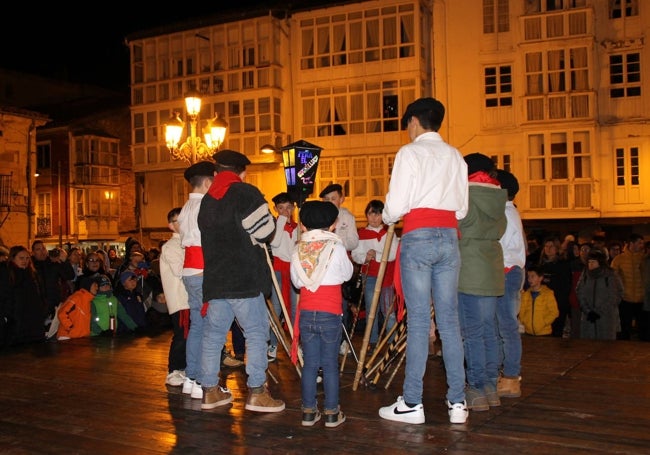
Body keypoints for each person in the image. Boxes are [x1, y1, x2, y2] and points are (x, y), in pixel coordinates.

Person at [379, 97, 469, 425]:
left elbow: (396, 205)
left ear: (415, 121)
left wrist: (389, 215)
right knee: (449, 321)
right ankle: (458, 401)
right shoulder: (456, 156)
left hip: (419, 236)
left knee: (418, 322)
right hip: (449, 237)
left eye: (407, 123)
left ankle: (412, 403)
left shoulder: (410, 153)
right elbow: (462, 210)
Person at [197, 149, 284, 412]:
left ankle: (210, 391)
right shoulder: (246, 193)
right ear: (242, 172)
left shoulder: (207, 201)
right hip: (244, 278)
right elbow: (267, 231)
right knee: (256, 334)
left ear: (216, 173)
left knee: (213, 336)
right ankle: (257, 392)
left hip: (216, 280)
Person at [290, 200, 353, 428]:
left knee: (309, 365)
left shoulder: (298, 248)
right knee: (329, 365)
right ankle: (332, 413)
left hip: (306, 312)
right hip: (330, 313)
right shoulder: (336, 247)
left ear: (303, 226)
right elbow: (347, 274)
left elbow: (297, 282)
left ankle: (308, 412)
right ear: (334, 224)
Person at [457, 153, 507, 412]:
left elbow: (456, 226)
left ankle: (475, 387)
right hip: (492, 269)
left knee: (471, 333)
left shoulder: (464, 195)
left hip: (469, 270)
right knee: (488, 329)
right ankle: (490, 386)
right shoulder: (499, 197)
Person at [350, 199, 399, 348]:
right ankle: (372, 342)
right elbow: (355, 255)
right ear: (367, 215)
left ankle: (392, 342)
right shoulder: (361, 234)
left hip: (386, 277)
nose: (374, 218)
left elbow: (393, 254)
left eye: (378, 214)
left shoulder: (388, 233)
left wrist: (376, 254)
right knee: (372, 310)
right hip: (369, 276)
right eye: (371, 214)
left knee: (388, 312)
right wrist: (365, 257)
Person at [495, 169, 526, 399]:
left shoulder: (505, 214)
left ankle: (511, 377)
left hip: (506, 272)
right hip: (509, 271)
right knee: (504, 326)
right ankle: (506, 375)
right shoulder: (510, 212)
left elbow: (497, 245)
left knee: (506, 326)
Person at [319, 183, 359, 342]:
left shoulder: (347, 217)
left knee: (342, 306)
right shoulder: (319, 216)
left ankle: (343, 340)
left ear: (341, 199)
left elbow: (354, 242)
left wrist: (335, 241)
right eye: (326, 199)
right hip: (322, 267)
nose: (329, 202)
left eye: (333, 198)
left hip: (340, 267)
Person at [159, 207, 190, 387]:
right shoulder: (171, 246)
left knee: (189, 334)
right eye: (179, 221)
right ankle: (173, 369)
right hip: (181, 299)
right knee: (182, 334)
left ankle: (184, 366)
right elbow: (180, 271)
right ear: (171, 226)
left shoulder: (188, 243)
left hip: (189, 298)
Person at [268, 192, 299, 362]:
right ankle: (272, 343)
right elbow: (275, 243)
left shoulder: (299, 228)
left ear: (293, 208)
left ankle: (295, 343)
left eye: (288, 207)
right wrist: (280, 221)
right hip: (279, 270)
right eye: (281, 208)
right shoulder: (274, 227)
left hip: (294, 270)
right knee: (276, 309)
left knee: (295, 308)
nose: (285, 211)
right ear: (275, 209)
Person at [0, 245, 47, 348]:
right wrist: (7, 315)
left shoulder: (32, 274)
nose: (24, 261)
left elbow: (39, 294)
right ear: (13, 258)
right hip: (15, 321)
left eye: (27, 258)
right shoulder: (6, 273)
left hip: (33, 321)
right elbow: (5, 296)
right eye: (21, 258)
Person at [576, 249, 623, 340]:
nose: (591, 264)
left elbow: (615, 296)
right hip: (588, 316)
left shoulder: (610, 275)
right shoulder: (585, 274)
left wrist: (599, 312)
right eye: (589, 262)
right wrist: (588, 310)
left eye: (593, 262)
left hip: (606, 317)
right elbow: (579, 291)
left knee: (605, 346)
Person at [610, 233, 646, 340]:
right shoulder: (619, 259)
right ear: (631, 243)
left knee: (643, 329)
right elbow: (613, 279)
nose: (641, 245)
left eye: (642, 243)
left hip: (642, 299)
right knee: (624, 328)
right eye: (639, 243)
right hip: (625, 299)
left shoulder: (644, 258)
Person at [31, 240, 76, 325]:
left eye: (43, 248)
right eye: (38, 249)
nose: (42, 251)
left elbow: (70, 275)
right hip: (37, 306)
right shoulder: (31, 266)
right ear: (33, 252)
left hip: (53, 304)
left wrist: (64, 261)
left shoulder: (53, 263)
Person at [538, 236, 572, 337]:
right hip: (543, 304)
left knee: (556, 332)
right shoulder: (541, 265)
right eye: (546, 246)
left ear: (556, 248)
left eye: (551, 246)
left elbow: (565, 286)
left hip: (558, 302)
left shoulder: (563, 264)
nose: (548, 249)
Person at [519, 265, 559, 336]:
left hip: (544, 333)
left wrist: (543, 322)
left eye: (532, 276)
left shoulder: (548, 294)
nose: (529, 279)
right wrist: (524, 321)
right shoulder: (526, 294)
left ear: (540, 278)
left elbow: (554, 312)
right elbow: (522, 311)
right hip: (528, 332)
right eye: (528, 276)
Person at [56, 276, 98, 340]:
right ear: (88, 286)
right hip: (67, 337)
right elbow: (62, 313)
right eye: (95, 285)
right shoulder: (76, 297)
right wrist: (70, 326)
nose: (97, 288)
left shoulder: (89, 301)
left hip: (80, 337)